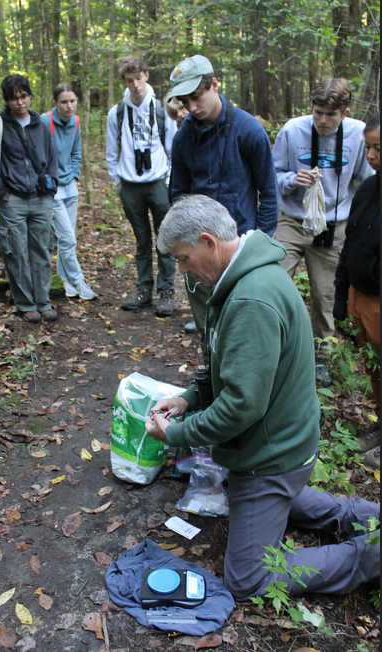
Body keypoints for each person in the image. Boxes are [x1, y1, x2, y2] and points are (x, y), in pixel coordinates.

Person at [146, 194, 379, 601]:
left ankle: (373, 552)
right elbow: (223, 365)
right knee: (269, 496)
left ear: (208, 242)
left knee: (248, 578)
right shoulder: (236, 279)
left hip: (271, 457)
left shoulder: (250, 298)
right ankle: (367, 517)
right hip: (276, 447)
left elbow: (241, 405)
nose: (182, 270)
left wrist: (177, 434)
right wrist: (188, 399)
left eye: (183, 258)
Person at [167, 55, 279, 335]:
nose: (191, 108)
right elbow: (178, 194)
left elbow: (269, 193)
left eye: (196, 97)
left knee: (244, 328)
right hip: (199, 252)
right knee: (210, 331)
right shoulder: (183, 138)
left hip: (241, 249)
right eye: (184, 102)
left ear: (214, 84)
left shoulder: (248, 130)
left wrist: (260, 245)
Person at [273, 78, 374, 385]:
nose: (322, 121)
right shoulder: (293, 130)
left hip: (333, 226)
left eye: (330, 114)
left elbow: (367, 181)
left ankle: (322, 356)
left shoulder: (358, 135)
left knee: (324, 294)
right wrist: (292, 179)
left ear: (345, 112)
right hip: (293, 219)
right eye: (317, 112)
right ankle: (274, 346)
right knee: (273, 279)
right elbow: (273, 174)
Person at [0, 74, 59, 324]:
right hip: (12, 198)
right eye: (14, 98)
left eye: (23, 96)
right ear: (7, 100)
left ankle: (44, 301)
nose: (20, 102)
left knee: (42, 251)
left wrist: (51, 186)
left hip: (40, 198)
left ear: (30, 96)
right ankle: (26, 304)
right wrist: (1, 192)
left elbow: (51, 156)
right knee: (15, 252)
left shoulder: (41, 124)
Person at [106, 56, 177, 317]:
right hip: (131, 185)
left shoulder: (161, 109)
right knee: (141, 240)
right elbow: (111, 152)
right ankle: (143, 288)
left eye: (138, 78)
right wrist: (118, 181)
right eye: (129, 80)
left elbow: (172, 147)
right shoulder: (117, 112)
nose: (135, 84)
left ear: (146, 75)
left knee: (166, 238)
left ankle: (167, 291)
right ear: (124, 81)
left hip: (158, 182)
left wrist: (168, 181)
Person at [334, 112, 380, 469]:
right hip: (359, 298)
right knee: (374, 368)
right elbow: (349, 246)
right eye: (368, 147)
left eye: (379, 148)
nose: (372, 155)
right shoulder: (367, 188)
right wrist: (340, 297)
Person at [41, 83, 96, 301]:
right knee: (68, 239)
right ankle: (79, 279)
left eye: (72, 101)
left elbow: (76, 152)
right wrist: (48, 182)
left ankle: (64, 278)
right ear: (55, 103)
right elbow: (39, 153)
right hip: (53, 190)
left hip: (70, 187)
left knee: (67, 239)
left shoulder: (76, 122)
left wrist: (74, 175)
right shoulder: (46, 121)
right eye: (64, 102)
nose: (69, 106)